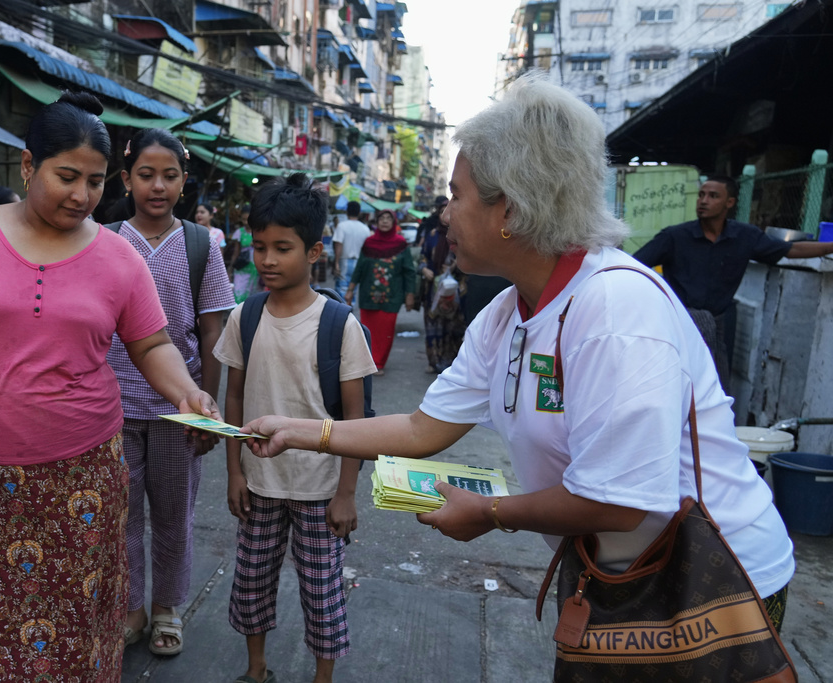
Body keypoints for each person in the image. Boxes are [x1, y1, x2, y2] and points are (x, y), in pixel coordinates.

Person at [241, 76, 795, 665]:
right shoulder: (508, 313)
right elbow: (421, 431)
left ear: (509, 207)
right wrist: (303, 431)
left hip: (713, 583)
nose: (445, 212)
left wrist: (490, 513)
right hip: (610, 573)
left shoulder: (614, 310)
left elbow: (620, 502)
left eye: (455, 194)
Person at [0, 91, 220, 681]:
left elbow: (151, 344)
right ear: (28, 165)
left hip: (84, 476)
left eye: (96, 182)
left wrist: (187, 393)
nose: (82, 196)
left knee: (78, 620)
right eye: (67, 176)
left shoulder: (119, 259)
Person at [213, 174, 375, 683]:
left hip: (320, 490)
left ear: (314, 251)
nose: (267, 260)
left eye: (283, 248)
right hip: (259, 485)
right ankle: (256, 669)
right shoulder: (246, 316)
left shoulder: (339, 324)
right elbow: (233, 396)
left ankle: (321, 676)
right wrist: (235, 472)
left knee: (321, 592)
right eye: (260, 247)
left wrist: (346, 493)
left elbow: (356, 421)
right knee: (251, 583)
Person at [106, 129, 235, 656]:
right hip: (111, 409)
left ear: (184, 182)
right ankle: (131, 609)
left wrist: (206, 406)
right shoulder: (104, 239)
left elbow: (212, 331)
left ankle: (167, 609)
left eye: (169, 175)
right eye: (145, 175)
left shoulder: (202, 246)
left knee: (173, 516)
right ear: (126, 179)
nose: (157, 186)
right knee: (122, 516)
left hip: (177, 411)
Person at [634, 175, 833, 390]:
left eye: (713, 196)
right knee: (673, 385)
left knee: (715, 387)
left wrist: (830, 246)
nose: (703, 200)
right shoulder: (674, 236)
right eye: (701, 195)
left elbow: (791, 249)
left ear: (730, 202)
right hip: (678, 323)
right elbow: (635, 267)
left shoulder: (744, 236)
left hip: (718, 325)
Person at [345, 209, 416, 375]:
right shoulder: (369, 243)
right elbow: (360, 268)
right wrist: (350, 289)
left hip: (392, 297)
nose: (384, 221)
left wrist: (410, 294)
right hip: (368, 296)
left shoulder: (401, 245)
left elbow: (409, 271)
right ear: (376, 222)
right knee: (368, 330)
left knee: (385, 331)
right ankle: (367, 361)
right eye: (381, 218)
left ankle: (378, 363)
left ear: (393, 222)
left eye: (388, 218)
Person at [418, 222, 467, 374]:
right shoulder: (433, 235)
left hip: (455, 290)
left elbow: (473, 258)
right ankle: (433, 361)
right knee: (433, 325)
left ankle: (453, 363)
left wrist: (456, 266)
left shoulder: (463, 233)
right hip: (432, 289)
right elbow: (422, 257)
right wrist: (425, 270)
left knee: (452, 327)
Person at [331, 200, 371, 300]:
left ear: (347, 212)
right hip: (359, 262)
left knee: (342, 288)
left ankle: (341, 312)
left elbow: (338, 244)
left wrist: (336, 263)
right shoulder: (365, 228)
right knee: (353, 288)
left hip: (344, 260)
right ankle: (350, 311)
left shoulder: (342, 226)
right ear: (359, 212)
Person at [228, 203, 262, 304]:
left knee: (254, 294)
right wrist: (231, 268)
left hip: (256, 267)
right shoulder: (239, 232)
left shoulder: (259, 232)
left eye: (247, 219)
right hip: (242, 267)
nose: (245, 222)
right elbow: (236, 252)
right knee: (239, 293)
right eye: (243, 219)